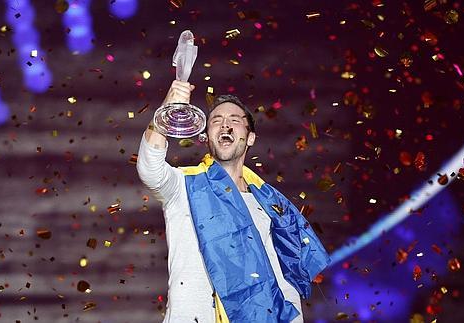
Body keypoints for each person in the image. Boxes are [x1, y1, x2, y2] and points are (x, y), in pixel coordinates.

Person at [136, 80, 330, 322]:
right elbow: (149, 166)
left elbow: (282, 279)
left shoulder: (271, 205)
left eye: (235, 120)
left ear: (250, 138)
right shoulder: (184, 185)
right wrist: (168, 107)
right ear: (207, 136)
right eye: (216, 121)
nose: (225, 124)